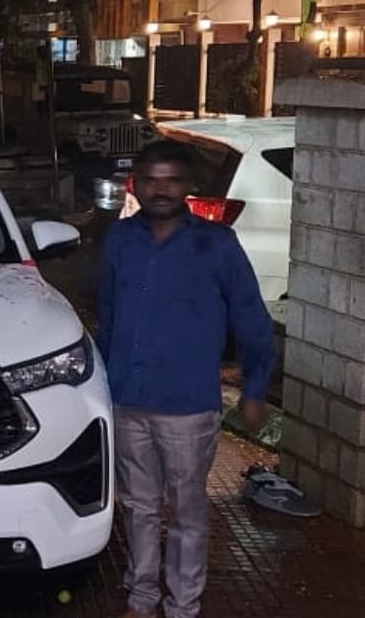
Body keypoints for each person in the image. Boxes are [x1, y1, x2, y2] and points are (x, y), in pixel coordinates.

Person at [97, 141, 275, 618]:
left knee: (187, 511)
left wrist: (255, 390)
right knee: (137, 505)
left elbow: (252, 320)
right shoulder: (120, 240)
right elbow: (109, 318)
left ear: (188, 186)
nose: (161, 189)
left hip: (188, 405)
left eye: (172, 180)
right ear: (134, 183)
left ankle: (183, 606)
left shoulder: (215, 244)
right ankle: (141, 596)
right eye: (151, 179)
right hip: (128, 398)